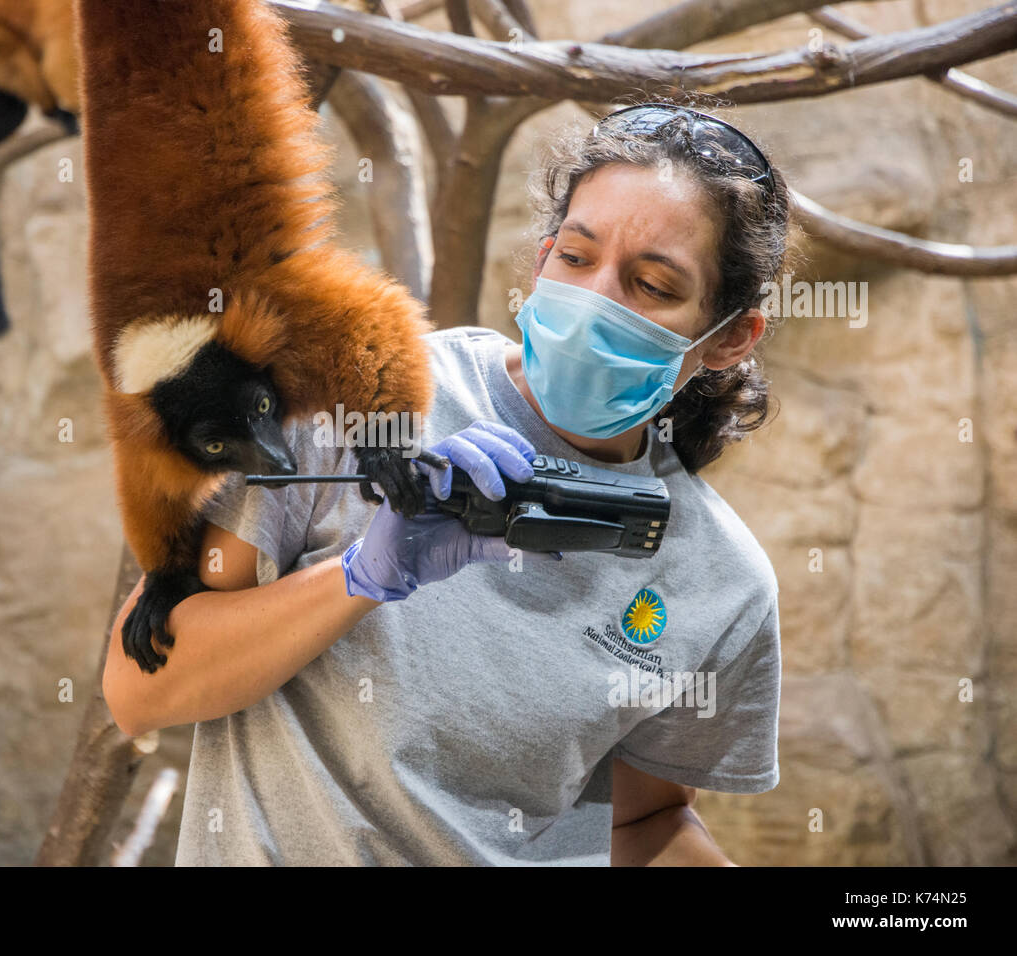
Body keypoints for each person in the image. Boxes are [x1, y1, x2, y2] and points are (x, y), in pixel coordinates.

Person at [104, 101, 792, 865]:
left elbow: (643, 824)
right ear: (539, 260)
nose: (597, 297)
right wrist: (361, 578)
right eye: (575, 256)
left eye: (652, 285)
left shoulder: (718, 579)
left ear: (729, 336)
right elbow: (141, 691)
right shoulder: (360, 396)